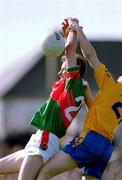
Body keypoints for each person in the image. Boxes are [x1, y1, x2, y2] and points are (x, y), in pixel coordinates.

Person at [36, 18, 122, 180]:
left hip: (91, 140)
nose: (119, 76)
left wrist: (78, 30)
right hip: (106, 148)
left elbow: (90, 56)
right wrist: (87, 93)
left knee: (45, 172)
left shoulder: (113, 86)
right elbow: (98, 110)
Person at [0, 18, 93, 180]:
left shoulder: (74, 84)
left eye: (64, 69)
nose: (60, 72)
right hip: (43, 140)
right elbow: (93, 109)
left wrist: (73, 29)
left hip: (45, 140)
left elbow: (70, 49)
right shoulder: (80, 88)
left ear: (74, 71)